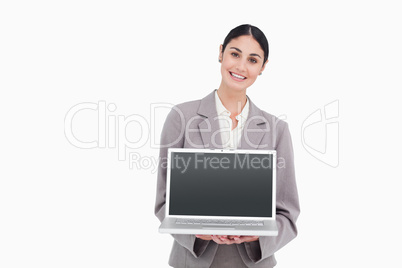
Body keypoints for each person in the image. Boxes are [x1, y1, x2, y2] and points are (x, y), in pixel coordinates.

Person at [154, 24, 300, 268]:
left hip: (253, 261)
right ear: (221, 53)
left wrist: (258, 235)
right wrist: (197, 232)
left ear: (262, 68)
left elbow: (288, 213)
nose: (241, 66)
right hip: (193, 260)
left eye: (253, 60)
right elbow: (163, 201)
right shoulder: (181, 117)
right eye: (235, 54)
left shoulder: (277, 129)